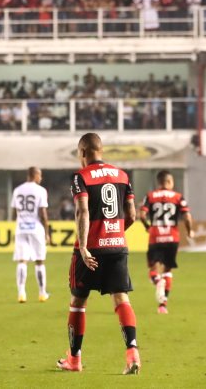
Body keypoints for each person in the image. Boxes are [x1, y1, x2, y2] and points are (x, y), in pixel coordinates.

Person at [57, 133, 140, 375]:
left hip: (91, 249)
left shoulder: (80, 176)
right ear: (100, 150)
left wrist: (84, 246)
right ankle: (132, 352)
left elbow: (83, 211)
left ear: (82, 152)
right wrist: (112, 234)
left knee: (78, 302)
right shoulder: (123, 175)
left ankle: (74, 359)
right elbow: (132, 215)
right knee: (121, 298)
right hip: (117, 246)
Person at [139, 170, 193, 314]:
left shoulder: (150, 196)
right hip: (172, 237)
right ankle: (162, 306)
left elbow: (142, 214)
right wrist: (189, 231)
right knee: (168, 270)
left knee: (153, 270)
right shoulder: (178, 197)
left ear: (159, 182)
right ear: (169, 182)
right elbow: (187, 217)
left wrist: (147, 227)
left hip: (156, 236)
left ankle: (158, 282)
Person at [11, 166, 50, 303]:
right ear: (35, 175)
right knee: (39, 261)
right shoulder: (40, 190)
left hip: (21, 228)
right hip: (36, 228)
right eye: (40, 175)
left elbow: (14, 213)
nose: (41, 178)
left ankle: (21, 293)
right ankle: (42, 293)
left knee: (22, 260)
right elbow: (43, 214)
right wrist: (47, 232)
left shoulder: (17, 190)